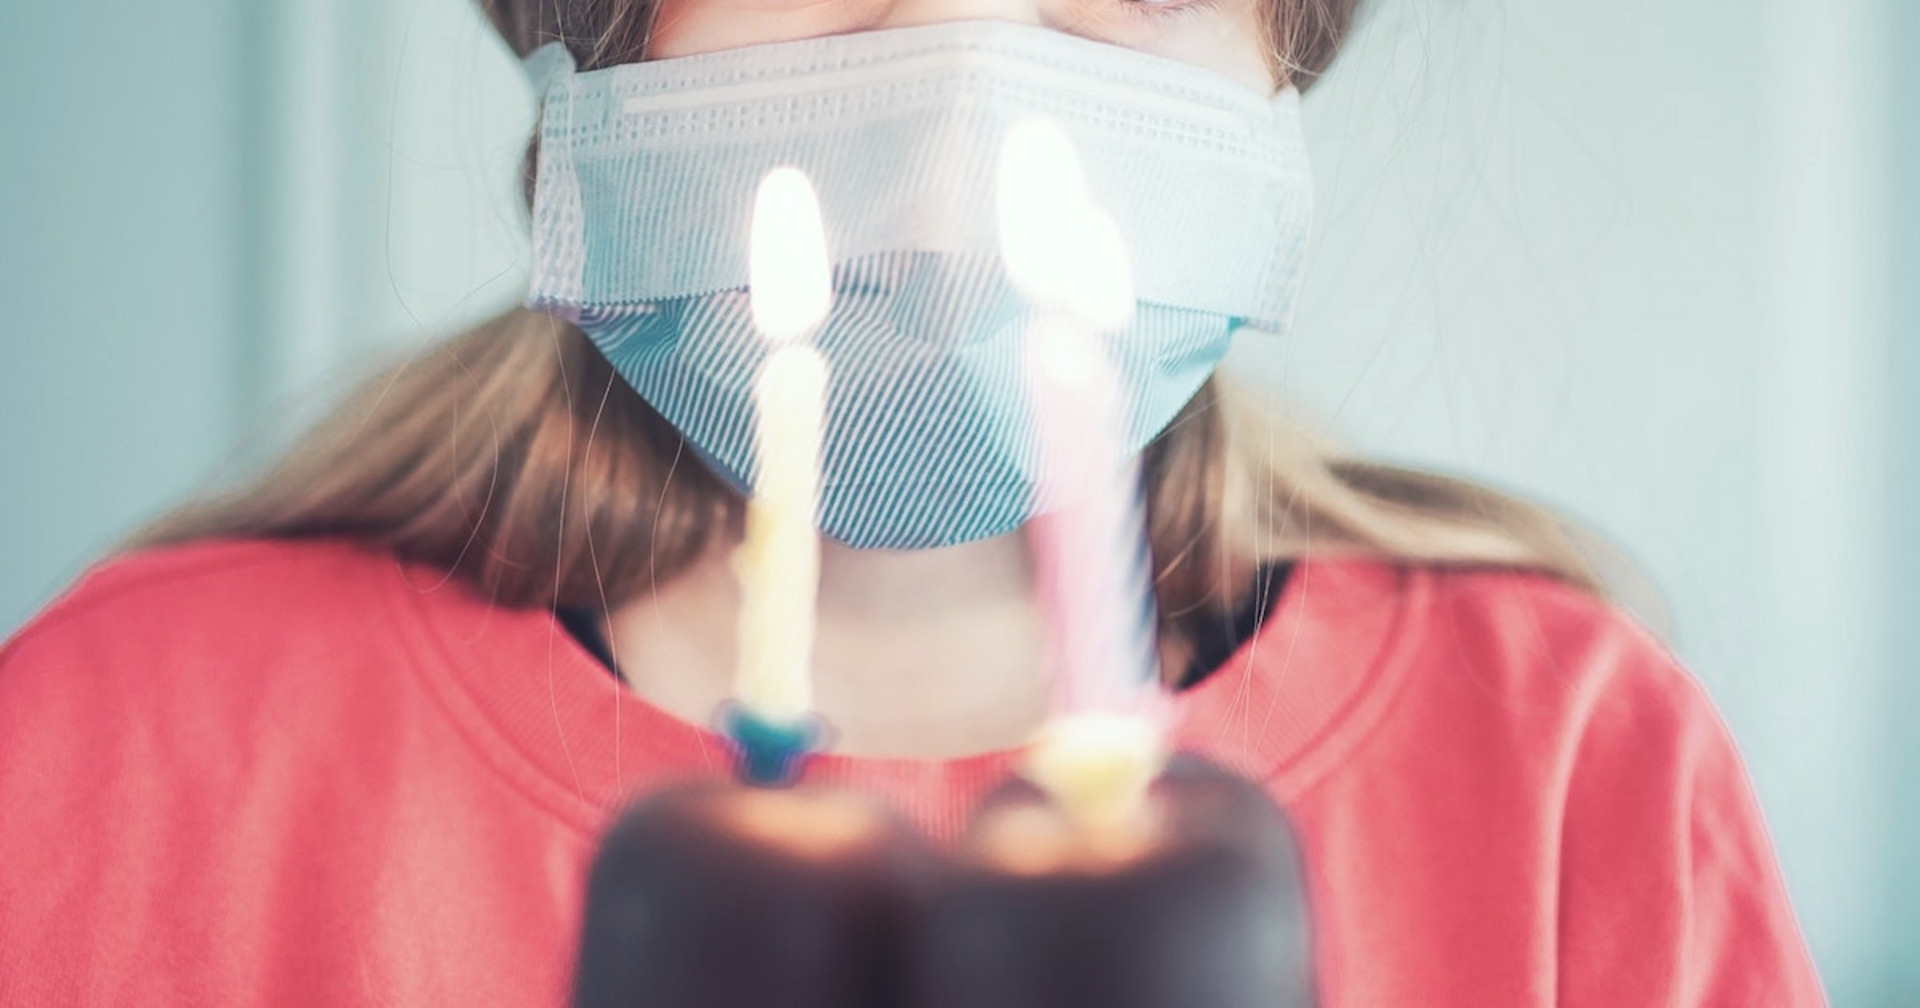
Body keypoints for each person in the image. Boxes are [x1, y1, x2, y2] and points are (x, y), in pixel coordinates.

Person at [0, 0, 1825, 1003]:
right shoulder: (116, 770)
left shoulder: (1576, 786)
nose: (967, 99)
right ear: (599, 34)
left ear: (1289, 47)